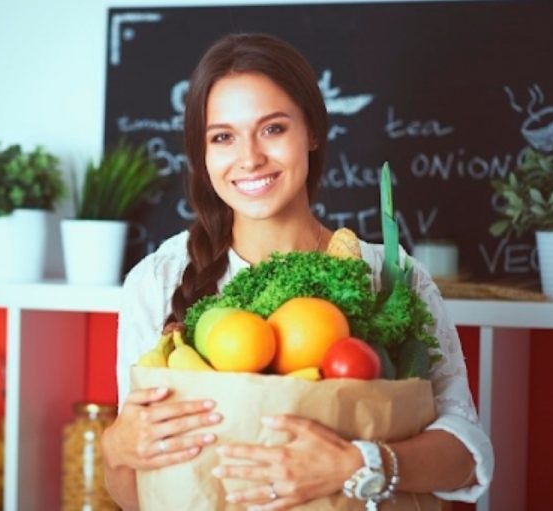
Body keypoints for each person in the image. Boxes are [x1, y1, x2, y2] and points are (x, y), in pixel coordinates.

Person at [101, 33, 494, 510]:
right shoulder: (158, 280)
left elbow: (466, 455)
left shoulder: (390, 275)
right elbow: (137, 496)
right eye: (223, 136)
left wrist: (359, 464)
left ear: (312, 131)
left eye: (272, 129)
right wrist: (115, 448)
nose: (249, 158)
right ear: (202, 155)